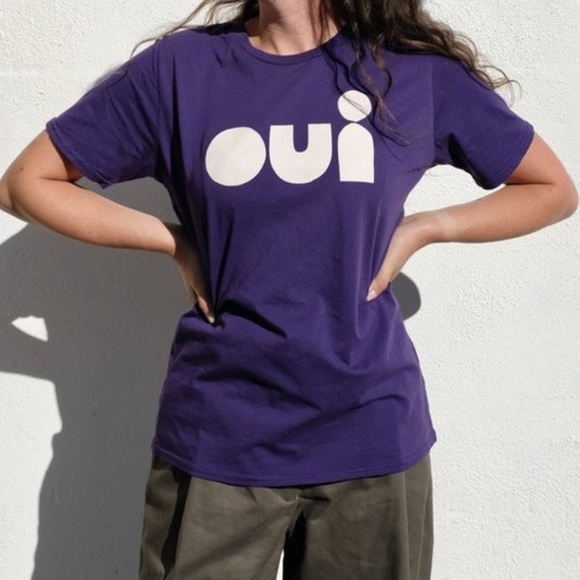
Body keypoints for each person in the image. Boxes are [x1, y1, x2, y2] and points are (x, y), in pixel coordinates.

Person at [0, 0, 577, 578]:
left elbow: (550, 188)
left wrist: (426, 228)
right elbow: (26, 183)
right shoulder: (180, 70)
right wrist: (174, 242)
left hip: (370, 431)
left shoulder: (408, 73)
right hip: (220, 432)